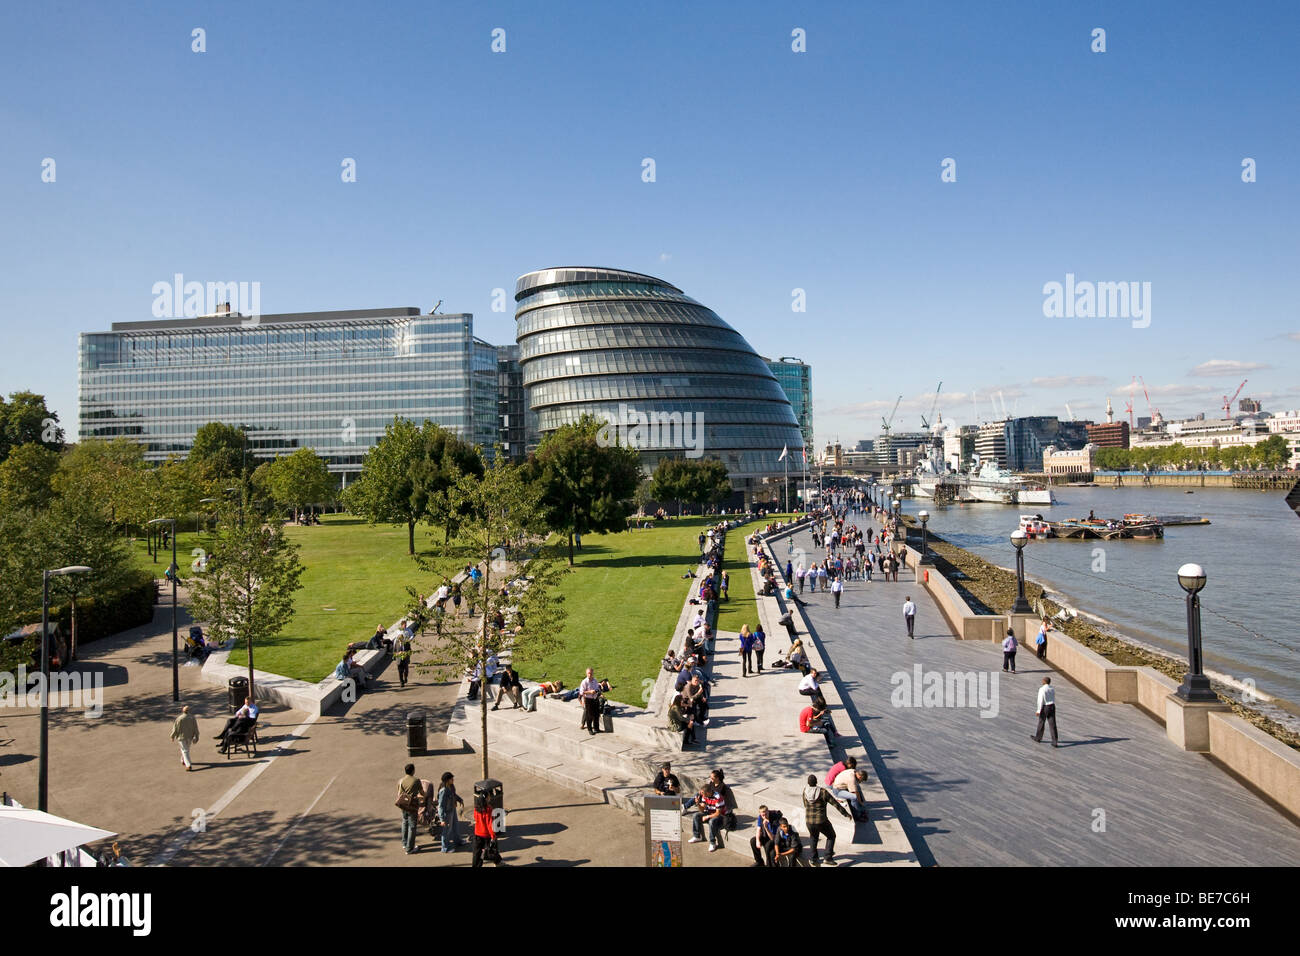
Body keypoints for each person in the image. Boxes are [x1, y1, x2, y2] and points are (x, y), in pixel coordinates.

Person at [802, 773, 849, 866]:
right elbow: (835, 803)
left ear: (808, 783)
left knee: (813, 837)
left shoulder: (805, 791)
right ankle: (827, 857)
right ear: (816, 782)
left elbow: (805, 804)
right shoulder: (823, 792)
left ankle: (813, 859)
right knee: (831, 836)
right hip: (821, 821)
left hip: (809, 821)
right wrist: (845, 813)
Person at [688, 782, 726, 852]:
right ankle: (697, 836)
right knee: (696, 815)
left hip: (720, 816)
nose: (702, 795)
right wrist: (698, 804)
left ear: (708, 792)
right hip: (710, 812)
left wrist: (707, 816)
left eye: (703, 793)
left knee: (712, 821)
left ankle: (712, 843)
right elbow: (702, 810)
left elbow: (718, 813)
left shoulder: (718, 797)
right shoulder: (704, 796)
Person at [398, 763, 422, 854]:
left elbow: (399, 793)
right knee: (412, 826)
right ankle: (410, 848)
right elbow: (422, 792)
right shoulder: (416, 780)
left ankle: (404, 843)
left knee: (405, 822)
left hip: (403, 804)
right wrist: (424, 796)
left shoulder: (401, 781)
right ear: (413, 771)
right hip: (412, 805)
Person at [437, 772, 464, 851]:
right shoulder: (443, 791)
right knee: (447, 831)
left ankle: (458, 841)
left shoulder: (451, 786)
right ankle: (445, 848)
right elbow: (441, 806)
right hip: (447, 813)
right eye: (451, 779)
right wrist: (442, 819)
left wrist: (460, 800)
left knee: (455, 826)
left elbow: (454, 795)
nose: (453, 780)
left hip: (452, 809)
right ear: (447, 780)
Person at [170, 704, 200, 771]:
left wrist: (172, 736)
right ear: (189, 711)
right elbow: (195, 728)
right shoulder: (192, 718)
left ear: (182, 711)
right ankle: (183, 760)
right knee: (186, 750)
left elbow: (175, 728)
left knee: (185, 750)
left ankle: (188, 765)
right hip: (190, 737)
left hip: (181, 737)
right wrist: (197, 736)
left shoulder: (179, 718)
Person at [1033, 676, 1059, 747]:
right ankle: (1055, 741)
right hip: (1052, 706)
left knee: (1041, 722)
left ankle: (1038, 738)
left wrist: (1038, 710)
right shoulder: (1052, 688)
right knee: (1052, 724)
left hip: (1045, 707)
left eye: (1043, 680)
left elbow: (1040, 700)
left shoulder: (1042, 689)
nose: (1042, 681)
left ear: (1044, 681)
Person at [579, 667, 602, 735]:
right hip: (588, 699)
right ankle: (589, 729)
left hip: (595, 698)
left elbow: (597, 688)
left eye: (591, 673)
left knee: (596, 714)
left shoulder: (595, 680)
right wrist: (590, 692)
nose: (590, 674)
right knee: (589, 715)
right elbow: (581, 692)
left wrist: (596, 691)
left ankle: (596, 728)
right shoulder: (584, 682)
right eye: (589, 673)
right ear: (586, 673)